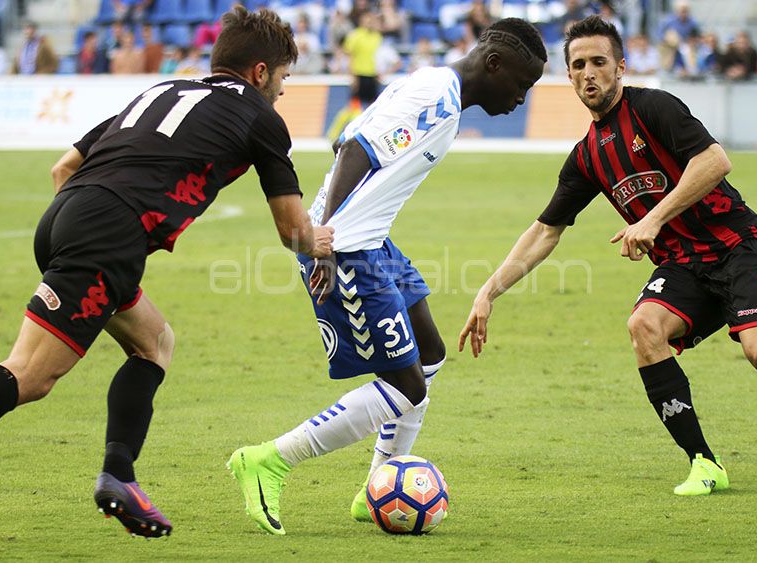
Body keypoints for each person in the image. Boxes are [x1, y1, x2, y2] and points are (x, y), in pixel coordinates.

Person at [0, 7, 334, 539]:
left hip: (66, 216)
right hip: (107, 236)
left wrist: (84, 231)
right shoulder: (262, 120)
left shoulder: (163, 89)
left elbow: (63, 167)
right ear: (260, 72)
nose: (283, 91)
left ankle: (119, 476)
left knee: (154, 341)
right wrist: (322, 242)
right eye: (283, 77)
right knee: (30, 374)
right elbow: (292, 229)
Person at [459, 15, 757, 498]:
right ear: (570, 75)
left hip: (737, 246)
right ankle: (704, 463)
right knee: (644, 327)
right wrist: (487, 291)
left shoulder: (654, 108)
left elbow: (714, 161)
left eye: (599, 62)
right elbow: (544, 231)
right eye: (578, 65)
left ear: (621, 66)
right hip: (683, 265)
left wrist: (652, 220)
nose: (589, 73)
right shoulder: (586, 157)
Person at [227, 17, 547, 536]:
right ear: (494, 64)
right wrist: (324, 241)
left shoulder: (441, 94)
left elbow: (349, 142)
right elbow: (355, 150)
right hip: (346, 247)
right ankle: (269, 459)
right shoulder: (434, 96)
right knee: (407, 387)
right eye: (522, 84)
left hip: (370, 242)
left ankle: (376, 486)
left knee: (429, 353)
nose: (522, 98)